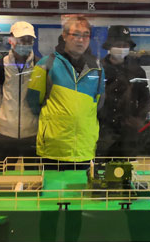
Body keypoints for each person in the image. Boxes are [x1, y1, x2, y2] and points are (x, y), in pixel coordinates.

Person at [27, 16, 105, 162]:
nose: (80, 40)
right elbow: (33, 101)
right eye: (75, 34)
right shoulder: (47, 64)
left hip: (84, 149)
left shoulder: (97, 69)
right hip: (53, 150)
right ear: (64, 36)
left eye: (86, 35)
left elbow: (99, 104)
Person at [97, 25, 150, 157]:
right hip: (102, 130)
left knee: (128, 167)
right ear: (110, 46)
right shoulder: (98, 69)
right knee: (100, 166)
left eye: (125, 45)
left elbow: (146, 99)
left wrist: (138, 119)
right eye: (117, 44)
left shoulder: (137, 71)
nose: (121, 48)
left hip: (128, 133)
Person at [0, 21, 39, 161]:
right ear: (11, 40)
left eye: (29, 40)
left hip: (32, 131)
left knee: (33, 172)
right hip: (6, 132)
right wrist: (4, 114)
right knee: (3, 172)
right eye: (21, 40)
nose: (25, 44)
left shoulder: (39, 65)